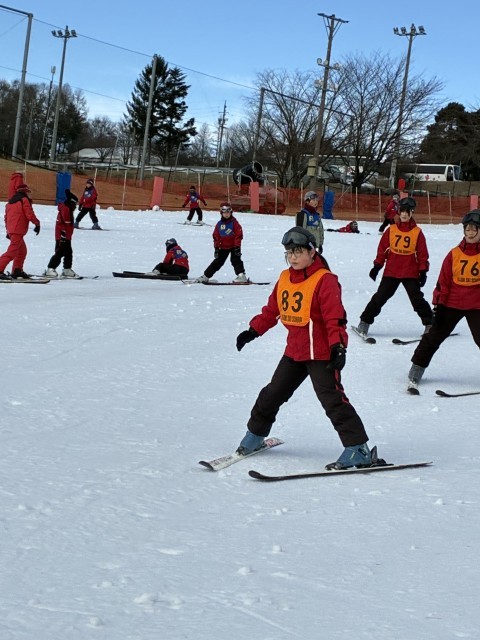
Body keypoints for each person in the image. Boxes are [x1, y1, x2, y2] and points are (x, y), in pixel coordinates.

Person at [234, 226, 376, 470]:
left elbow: (335, 318)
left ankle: (358, 448)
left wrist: (338, 347)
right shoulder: (285, 278)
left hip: (321, 353)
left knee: (332, 400)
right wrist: (252, 331)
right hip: (295, 351)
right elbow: (272, 311)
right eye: (289, 252)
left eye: (298, 252)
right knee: (272, 394)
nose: (293, 257)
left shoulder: (325, 280)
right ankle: (255, 435)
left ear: (312, 252)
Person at [407, 209, 480, 391]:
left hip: (476, 305)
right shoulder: (454, 254)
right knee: (433, 336)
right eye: (467, 229)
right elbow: (443, 282)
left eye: (474, 229)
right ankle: (416, 369)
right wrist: (438, 306)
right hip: (451, 303)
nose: (470, 233)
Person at [355, 196, 433, 338]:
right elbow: (382, 250)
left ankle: (430, 323)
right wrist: (377, 266)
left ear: (412, 213)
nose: (404, 214)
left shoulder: (417, 232)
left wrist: (423, 271)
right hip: (392, 271)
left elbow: (422, 254)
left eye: (407, 211)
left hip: (410, 272)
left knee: (416, 299)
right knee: (380, 297)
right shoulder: (391, 230)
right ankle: (364, 321)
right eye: (402, 211)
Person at [197, 202, 248, 283]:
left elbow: (238, 235)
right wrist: (216, 248)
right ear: (221, 213)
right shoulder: (219, 224)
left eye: (228, 212)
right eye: (224, 212)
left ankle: (241, 276)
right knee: (218, 261)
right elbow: (216, 236)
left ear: (231, 212)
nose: (226, 214)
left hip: (234, 246)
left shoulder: (234, 223)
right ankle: (206, 276)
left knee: (235, 260)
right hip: (223, 246)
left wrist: (237, 247)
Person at [0, 182, 40, 280]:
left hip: (12, 230)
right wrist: (37, 223)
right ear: (25, 191)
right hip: (18, 230)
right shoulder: (24, 200)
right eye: (28, 192)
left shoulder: (10, 202)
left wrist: (8, 231)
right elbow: (29, 213)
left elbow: (6, 218)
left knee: (22, 251)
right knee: (12, 252)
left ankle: (17, 271)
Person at [45, 189, 79, 279]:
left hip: (67, 236)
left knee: (68, 252)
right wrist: (63, 236)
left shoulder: (68, 209)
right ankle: (50, 268)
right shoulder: (66, 209)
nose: (76, 206)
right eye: (75, 204)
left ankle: (67, 269)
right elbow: (63, 224)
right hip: (62, 236)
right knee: (60, 252)